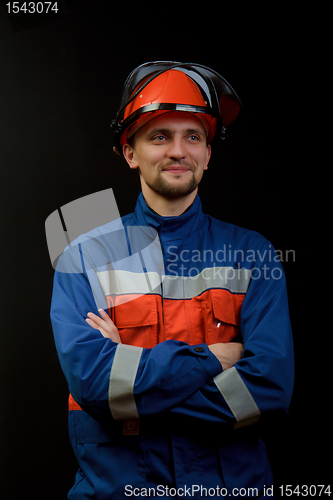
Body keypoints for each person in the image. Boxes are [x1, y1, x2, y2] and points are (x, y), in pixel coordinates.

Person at [50, 62, 294, 499]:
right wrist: (213, 359)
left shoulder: (253, 253)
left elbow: (269, 390)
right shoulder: (83, 256)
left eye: (193, 137)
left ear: (207, 154)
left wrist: (131, 389)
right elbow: (92, 383)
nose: (178, 151)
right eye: (159, 136)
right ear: (130, 153)